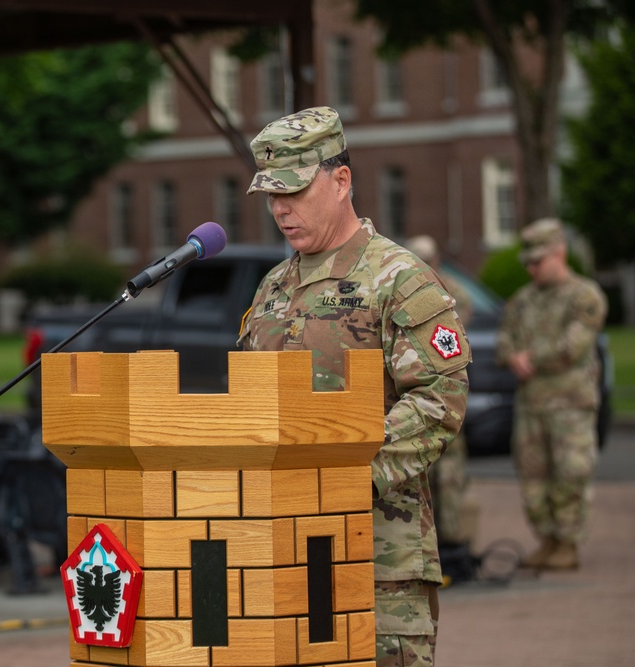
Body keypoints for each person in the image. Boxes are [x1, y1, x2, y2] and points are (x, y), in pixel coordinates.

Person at [239, 107, 471, 666]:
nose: (279, 209)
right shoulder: (272, 288)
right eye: (271, 196)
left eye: (292, 191)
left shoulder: (398, 278)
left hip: (377, 558)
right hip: (280, 548)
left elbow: (439, 399)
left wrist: (343, 472)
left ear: (341, 180)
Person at [496, 218, 607, 571]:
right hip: (532, 405)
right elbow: (504, 341)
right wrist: (512, 356)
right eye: (527, 262)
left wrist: (531, 358)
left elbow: (572, 348)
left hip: (570, 404)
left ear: (559, 253)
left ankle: (567, 542)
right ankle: (547, 539)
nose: (531, 268)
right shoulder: (523, 300)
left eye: (538, 261)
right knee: (532, 476)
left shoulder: (585, 296)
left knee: (570, 473)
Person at [405, 235, 476, 557]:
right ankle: (426, 543)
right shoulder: (401, 288)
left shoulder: (449, 293)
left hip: (442, 392)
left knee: (449, 476)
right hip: (410, 394)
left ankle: (453, 543)